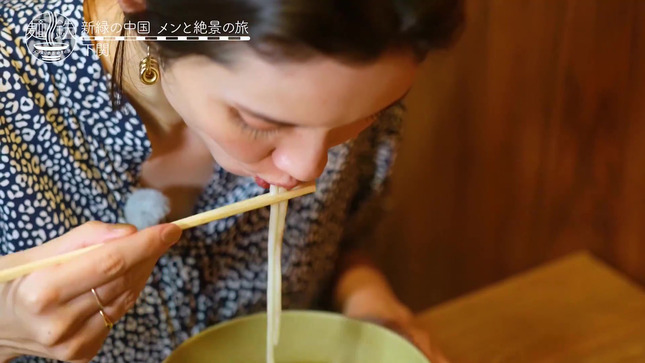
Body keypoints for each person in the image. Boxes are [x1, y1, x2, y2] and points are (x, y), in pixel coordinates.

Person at [0, 0, 463, 361]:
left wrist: (366, 298)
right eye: (259, 121)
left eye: (365, 117)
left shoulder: (354, 73)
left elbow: (345, 239)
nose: (309, 168)